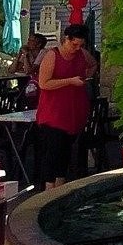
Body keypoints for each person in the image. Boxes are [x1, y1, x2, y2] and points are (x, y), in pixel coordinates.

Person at [32, 24, 96, 189]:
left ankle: (60, 187)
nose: (76, 48)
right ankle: (48, 189)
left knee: (65, 152)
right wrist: (70, 81)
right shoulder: (52, 55)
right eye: (74, 44)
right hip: (54, 112)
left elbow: (93, 64)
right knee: (53, 151)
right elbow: (44, 83)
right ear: (66, 39)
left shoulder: (82, 54)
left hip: (73, 111)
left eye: (80, 45)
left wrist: (85, 76)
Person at [12, 31, 49, 105]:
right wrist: (19, 54)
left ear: (38, 44)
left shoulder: (44, 53)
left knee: (23, 88)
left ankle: (24, 106)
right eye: (28, 40)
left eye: (31, 41)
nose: (28, 42)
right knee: (22, 86)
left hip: (40, 82)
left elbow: (29, 71)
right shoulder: (29, 52)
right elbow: (12, 70)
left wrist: (25, 55)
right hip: (29, 81)